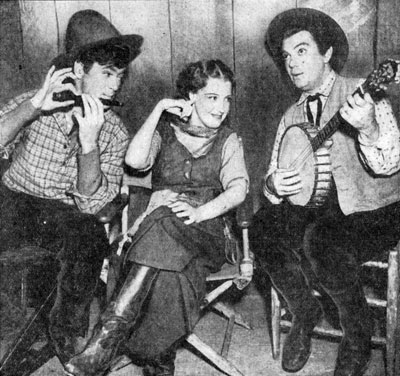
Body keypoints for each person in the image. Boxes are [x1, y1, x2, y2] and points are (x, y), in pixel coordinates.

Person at [64, 59, 249, 376]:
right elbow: (135, 161)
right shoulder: (166, 132)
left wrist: (198, 211)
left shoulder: (228, 140)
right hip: (162, 239)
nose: (221, 108)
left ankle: (108, 337)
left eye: (227, 98)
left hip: (207, 233)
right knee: (166, 272)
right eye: (212, 97)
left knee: (162, 214)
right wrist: (160, 109)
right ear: (190, 97)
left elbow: (238, 191)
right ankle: (160, 362)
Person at [250, 8, 400, 376]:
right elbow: (274, 175)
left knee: (322, 239)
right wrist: (272, 185)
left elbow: (390, 163)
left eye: (302, 51)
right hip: (320, 210)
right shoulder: (291, 115)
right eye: (287, 56)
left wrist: (367, 128)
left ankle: (358, 332)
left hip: (376, 208)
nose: (292, 64)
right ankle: (304, 312)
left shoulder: (363, 93)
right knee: (262, 227)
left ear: (327, 53)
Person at [0, 9, 142, 367]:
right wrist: (32, 108)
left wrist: (89, 145)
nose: (114, 85)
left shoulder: (113, 131)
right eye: (107, 74)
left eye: (120, 76)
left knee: (91, 236)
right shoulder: (39, 101)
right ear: (79, 69)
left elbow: (94, 204)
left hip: (62, 218)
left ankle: (63, 331)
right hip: (10, 204)